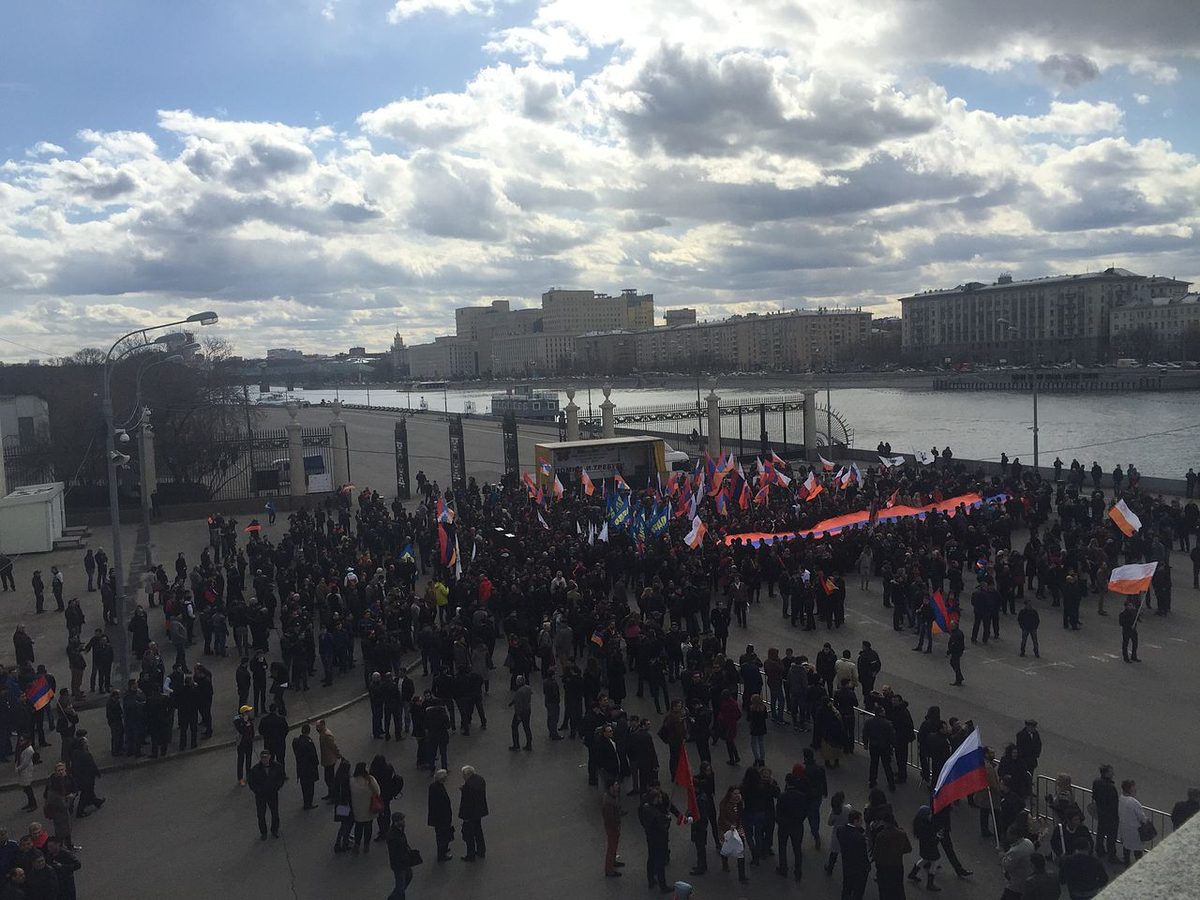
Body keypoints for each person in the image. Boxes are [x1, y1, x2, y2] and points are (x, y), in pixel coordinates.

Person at [871, 813, 912, 899]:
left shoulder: (881, 835)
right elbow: (908, 849)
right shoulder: (902, 833)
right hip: (897, 865)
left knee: (884, 889)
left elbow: (876, 853)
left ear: (884, 822)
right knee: (898, 888)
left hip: (884, 866)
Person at [247, 749, 285, 839]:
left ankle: (274, 830)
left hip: (272, 794)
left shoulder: (277, 766)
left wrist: (277, 787)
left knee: (275, 813)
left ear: (269, 757)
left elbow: (282, 776)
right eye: (262, 758)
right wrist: (258, 791)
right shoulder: (255, 770)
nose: (264, 759)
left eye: (266, 757)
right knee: (261, 814)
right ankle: (263, 832)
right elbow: (251, 782)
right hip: (261, 796)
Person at [348, 761, 382, 853]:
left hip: (357, 809)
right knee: (368, 827)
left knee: (358, 827)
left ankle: (357, 844)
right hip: (369, 808)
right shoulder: (370, 780)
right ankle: (366, 845)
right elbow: (378, 792)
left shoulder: (352, 781)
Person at [1117, 779, 1150, 866]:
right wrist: (1146, 821)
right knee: (1138, 850)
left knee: (1126, 848)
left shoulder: (1121, 798)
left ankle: (1126, 864)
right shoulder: (1134, 802)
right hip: (1135, 830)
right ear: (1130, 789)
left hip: (1124, 828)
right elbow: (1142, 817)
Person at [837, 810, 869, 900]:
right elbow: (863, 854)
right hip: (858, 866)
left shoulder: (840, 830)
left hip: (847, 863)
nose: (862, 822)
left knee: (847, 885)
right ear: (855, 821)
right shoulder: (859, 838)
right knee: (858, 890)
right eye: (860, 820)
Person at [459, 765, 488, 861]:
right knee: (478, 831)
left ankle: (470, 855)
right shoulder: (480, 779)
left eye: (464, 775)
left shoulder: (468, 787)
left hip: (470, 814)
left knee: (469, 835)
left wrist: (464, 816)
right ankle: (481, 850)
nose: (463, 777)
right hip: (479, 811)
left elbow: (467, 803)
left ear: (468, 775)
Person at [386, 812, 415, 900]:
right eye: (401, 820)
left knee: (409, 876)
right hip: (399, 864)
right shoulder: (392, 835)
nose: (403, 821)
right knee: (401, 886)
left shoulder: (399, 829)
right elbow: (395, 852)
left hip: (404, 861)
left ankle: (393, 897)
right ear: (396, 822)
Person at [428, 769, 455, 862]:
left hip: (435, 817)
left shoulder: (433, 787)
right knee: (442, 837)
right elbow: (444, 806)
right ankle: (442, 855)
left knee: (440, 835)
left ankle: (443, 850)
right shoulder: (440, 791)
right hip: (442, 819)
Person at [292, 722, 320, 810]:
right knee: (310, 787)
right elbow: (313, 756)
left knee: (304, 787)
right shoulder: (308, 743)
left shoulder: (297, 741)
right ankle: (309, 803)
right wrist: (316, 762)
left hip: (301, 768)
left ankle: (305, 803)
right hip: (309, 768)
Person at [601, 780, 625, 877]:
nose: (618, 786)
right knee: (611, 848)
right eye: (615, 784)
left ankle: (613, 862)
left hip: (614, 826)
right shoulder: (608, 802)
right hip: (612, 827)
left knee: (614, 846)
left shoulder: (611, 797)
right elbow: (609, 818)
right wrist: (616, 827)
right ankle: (609, 869)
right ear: (611, 787)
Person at [508, 676, 533, 751]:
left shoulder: (519, 692)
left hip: (521, 712)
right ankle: (529, 745)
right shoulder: (528, 688)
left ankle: (516, 745)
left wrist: (518, 715)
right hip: (527, 710)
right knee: (527, 727)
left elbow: (518, 704)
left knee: (514, 726)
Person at [233, 705, 256, 786]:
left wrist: (252, 737)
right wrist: (245, 722)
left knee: (249, 758)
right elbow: (241, 730)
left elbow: (252, 729)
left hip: (249, 741)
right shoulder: (238, 721)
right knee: (241, 760)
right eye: (248, 711)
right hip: (242, 743)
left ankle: (249, 774)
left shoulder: (249, 719)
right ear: (244, 713)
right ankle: (240, 778)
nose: (249, 712)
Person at [946, 621, 965, 686]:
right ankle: (959, 678)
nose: (950, 627)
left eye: (952, 626)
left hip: (956, 651)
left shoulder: (956, 634)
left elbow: (953, 644)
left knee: (956, 665)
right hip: (958, 651)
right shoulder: (959, 632)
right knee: (954, 664)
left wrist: (949, 651)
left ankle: (958, 679)